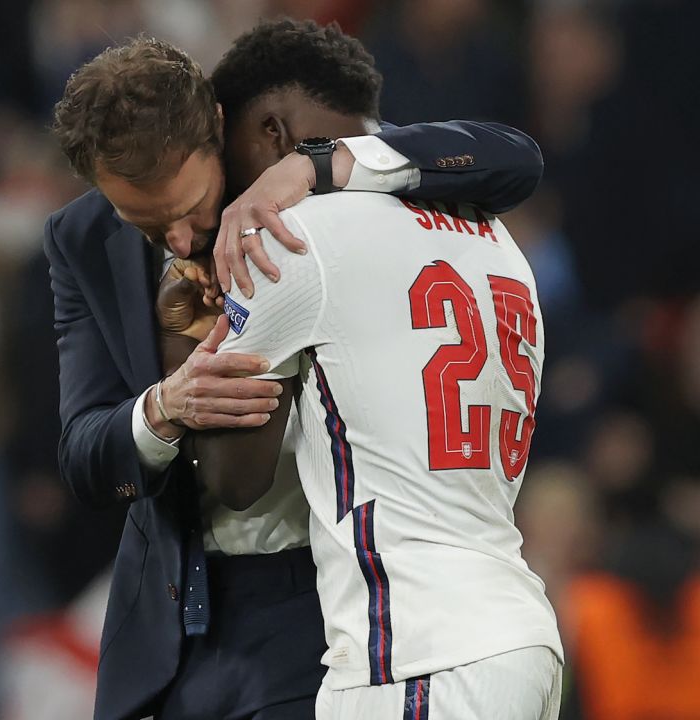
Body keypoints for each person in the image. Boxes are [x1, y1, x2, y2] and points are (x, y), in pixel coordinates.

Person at [46, 28, 544, 720]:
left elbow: (513, 159)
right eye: (146, 224)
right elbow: (84, 457)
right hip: (168, 630)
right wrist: (161, 409)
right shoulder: (79, 240)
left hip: (322, 610)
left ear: (219, 130)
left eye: (190, 208)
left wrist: (315, 165)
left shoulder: (326, 207)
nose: (182, 240)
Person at [183, 20, 563, 718]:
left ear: (269, 133)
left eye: (230, 155)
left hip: (416, 651)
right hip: (515, 629)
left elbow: (234, 481)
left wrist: (201, 346)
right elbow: (515, 155)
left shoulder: (289, 239)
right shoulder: (488, 225)